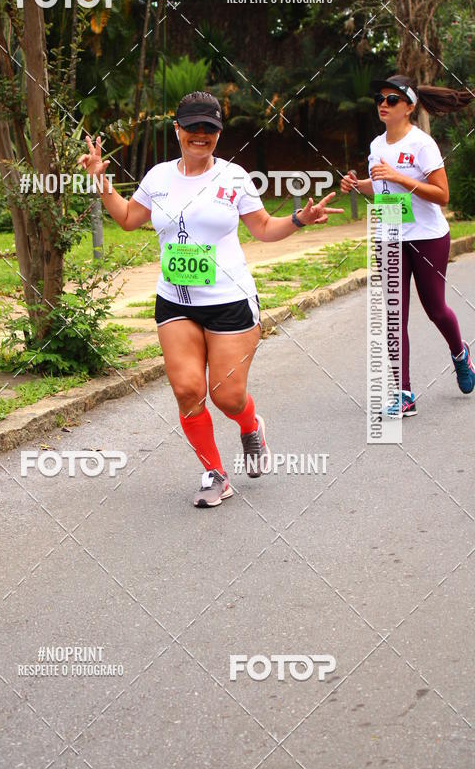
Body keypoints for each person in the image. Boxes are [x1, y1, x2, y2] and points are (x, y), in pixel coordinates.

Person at [79, 91, 342, 507]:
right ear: (177, 129)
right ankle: (215, 474)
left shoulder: (234, 177)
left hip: (229, 301)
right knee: (187, 390)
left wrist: (298, 219)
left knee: (226, 396)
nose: (201, 135)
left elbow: (263, 229)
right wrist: (100, 179)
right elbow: (128, 219)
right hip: (176, 301)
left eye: (210, 129)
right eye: (193, 127)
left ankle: (250, 423)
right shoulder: (158, 177)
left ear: (218, 134)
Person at [340, 74, 475, 416]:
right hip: (390, 237)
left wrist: (400, 177)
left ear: (410, 107)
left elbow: (442, 195)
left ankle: (460, 354)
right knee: (394, 316)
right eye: (380, 99)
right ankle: (404, 393)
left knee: (436, 309)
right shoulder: (376, 145)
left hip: (428, 236)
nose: (383, 105)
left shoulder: (422, 144)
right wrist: (358, 185)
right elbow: (381, 189)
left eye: (392, 100)